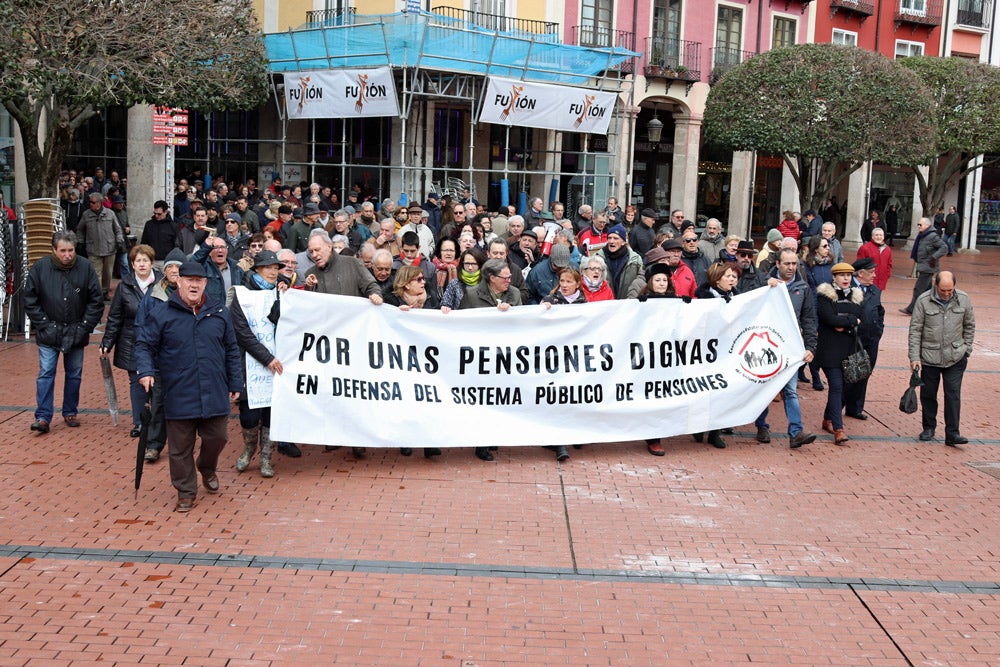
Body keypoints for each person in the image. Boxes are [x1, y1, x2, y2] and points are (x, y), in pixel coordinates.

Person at [135, 261, 242, 513]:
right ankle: (186, 491)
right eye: (189, 279)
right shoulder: (162, 313)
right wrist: (146, 371)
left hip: (214, 389)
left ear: (205, 283)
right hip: (178, 390)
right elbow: (144, 345)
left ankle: (206, 467)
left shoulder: (218, 311)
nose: (194, 284)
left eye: (199, 280)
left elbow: (231, 349)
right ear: (179, 281)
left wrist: (236, 381)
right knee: (180, 448)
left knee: (218, 437)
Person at [23, 231, 104, 434]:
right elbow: (30, 299)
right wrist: (43, 324)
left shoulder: (85, 267)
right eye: (63, 251)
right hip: (49, 330)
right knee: (46, 373)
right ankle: (43, 416)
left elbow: (96, 300)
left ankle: (70, 411)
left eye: (71, 250)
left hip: (76, 328)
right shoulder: (40, 268)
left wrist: (85, 326)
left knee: (74, 374)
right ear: (54, 250)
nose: (67, 255)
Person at [228, 250, 286, 478]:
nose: (274, 271)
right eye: (269, 267)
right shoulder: (242, 295)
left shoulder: (281, 292)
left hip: (278, 365)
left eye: (276, 267)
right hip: (249, 364)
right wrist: (267, 358)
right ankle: (249, 447)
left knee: (272, 413)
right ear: (257, 269)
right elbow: (242, 333)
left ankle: (266, 458)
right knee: (249, 414)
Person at [458, 258, 520, 461]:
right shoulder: (472, 294)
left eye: (510, 276)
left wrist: (511, 313)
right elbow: (462, 323)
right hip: (480, 357)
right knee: (483, 399)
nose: (509, 280)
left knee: (500, 398)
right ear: (492, 278)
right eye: (505, 277)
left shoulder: (515, 294)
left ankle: (495, 435)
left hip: (505, 357)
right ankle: (481, 443)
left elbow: (524, 323)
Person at [756, 249, 818, 449]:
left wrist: (810, 346)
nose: (791, 268)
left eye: (794, 264)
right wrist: (765, 286)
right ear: (777, 264)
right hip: (766, 346)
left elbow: (808, 319)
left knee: (790, 390)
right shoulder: (764, 283)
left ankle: (796, 432)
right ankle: (762, 425)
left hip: (790, 348)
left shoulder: (803, 288)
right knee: (764, 388)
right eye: (787, 264)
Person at [908, 271, 975, 446]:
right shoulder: (923, 301)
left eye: (950, 290)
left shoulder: (963, 299)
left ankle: (952, 433)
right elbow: (915, 331)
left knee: (953, 395)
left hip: (956, 356)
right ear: (935, 285)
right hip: (930, 356)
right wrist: (914, 357)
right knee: (928, 393)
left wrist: (966, 349)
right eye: (943, 290)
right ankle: (929, 427)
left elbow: (969, 325)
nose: (946, 294)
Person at [100, 244, 161, 438]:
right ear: (132, 264)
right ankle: (139, 422)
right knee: (136, 382)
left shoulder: (162, 283)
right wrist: (107, 342)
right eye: (137, 261)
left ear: (152, 262)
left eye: (145, 260)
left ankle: (158, 421)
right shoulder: (124, 286)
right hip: (131, 341)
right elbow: (115, 317)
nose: (142, 264)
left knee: (157, 382)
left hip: (158, 341)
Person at [134, 248, 186, 461]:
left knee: (184, 405)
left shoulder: (190, 291)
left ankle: (182, 445)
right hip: (159, 359)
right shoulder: (153, 294)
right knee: (158, 404)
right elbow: (141, 325)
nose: (174, 271)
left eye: (178, 267)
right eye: (170, 267)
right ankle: (154, 445)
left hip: (183, 359)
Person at [692, 262, 743, 449]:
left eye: (734, 277)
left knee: (722, 391)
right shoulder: (704, 299)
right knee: (703, 392)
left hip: (727, 351)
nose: (732, 280)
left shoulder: (737, 298)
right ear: (717, 278)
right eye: (728, 276)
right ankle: (698, 427)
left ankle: (715, 432)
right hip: (707, 351)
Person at [815, 263, 863, 445]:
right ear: (834, 277)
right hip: (829, 350)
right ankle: (838, 428)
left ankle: (828, 418)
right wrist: (850, 320)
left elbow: (859, 318)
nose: (845, 279)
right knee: (836, 386)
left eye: (848, 276)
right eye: (841, 275)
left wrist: (846, 322)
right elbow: (828, 318)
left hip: (849, 349)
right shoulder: (825, 295)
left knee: (845, 388)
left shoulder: (856, 295)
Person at [843, 257, 884, 421]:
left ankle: (855, 407)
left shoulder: (875, 291)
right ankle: (837, 407)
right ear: (860, 273)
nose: (874, 275)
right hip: (853, 339)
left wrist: (879, 329)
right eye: (871, 272)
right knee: (850, 373)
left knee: (865, 371)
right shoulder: (847, 288)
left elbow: (880, 311)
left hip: (871, 338)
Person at [76, 191, 125, 298]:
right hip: (93, 248)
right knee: (95, 273)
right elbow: (79, 230)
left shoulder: (110, 213)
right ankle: (97, 294)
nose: (91, 204)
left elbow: (118, 229)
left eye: (93, 202)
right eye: (90, 202)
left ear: (99, 203)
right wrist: (80, 241)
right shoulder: (86, 215)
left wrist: (119, 241)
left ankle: (105, 291)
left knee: (108, 273)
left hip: (109, 248)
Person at [901, 217, 947, 315]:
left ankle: (912, 309)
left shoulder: (933, 236)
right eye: (918, 224)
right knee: (928, 290)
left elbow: (944, 248)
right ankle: (936, 307)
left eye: (920, 225)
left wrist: (933, 257)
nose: (918, 226)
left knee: (919, 288)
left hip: (928, 266)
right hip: (924, 265)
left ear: (927, 225)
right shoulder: (922, 235)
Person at [140, 200, 179, 270]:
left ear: (166, 212)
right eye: (155, 213)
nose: (156, 216)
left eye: (159, 214)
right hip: (151, 260)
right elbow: (144, 242)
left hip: (167, 261)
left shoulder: (173, 226)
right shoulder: (149, 224)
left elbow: (177, 245)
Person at [855, 227, 893, 292]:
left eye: (881, 235)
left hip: (881, 280)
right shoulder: (865, 248)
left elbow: (889, 264)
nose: (879, 237)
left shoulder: (887, 249)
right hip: (868, 280)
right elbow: (860, 264)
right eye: (876, 235)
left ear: (883, 237)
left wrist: (887, 275)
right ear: (872, 236)